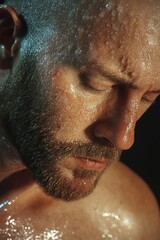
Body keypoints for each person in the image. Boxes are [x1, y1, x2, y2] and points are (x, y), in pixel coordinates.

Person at [0, 0, 160, 239]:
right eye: (98, 84)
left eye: (149, 97)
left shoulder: (122, 224)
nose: (123, 138)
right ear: (6, 39)